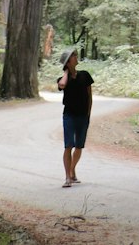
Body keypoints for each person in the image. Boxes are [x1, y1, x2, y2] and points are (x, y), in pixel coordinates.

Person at [57, 45, 93, 187]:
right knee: (68, 146)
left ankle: (72, 171)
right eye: (73, 56)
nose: (76, 57)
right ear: (68, 61)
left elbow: (90, 96)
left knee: (79, 146)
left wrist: (89, 114)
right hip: (69, 116)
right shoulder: (63, 79)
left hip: (83, 115)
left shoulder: (85, 75)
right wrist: (66, 72)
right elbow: (62, 85)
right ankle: (67, 177)